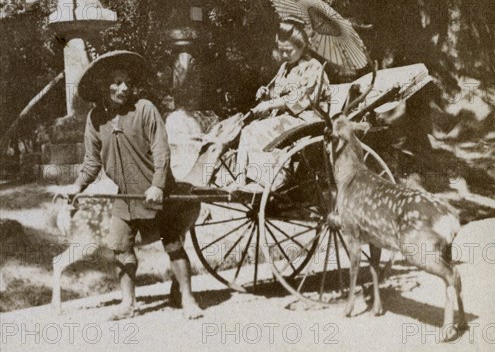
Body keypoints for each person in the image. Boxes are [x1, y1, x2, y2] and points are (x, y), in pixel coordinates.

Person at [67, 50, 202, 320]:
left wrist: (157, 186)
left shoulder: (144, 109)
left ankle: (187, 298)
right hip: (127, 198)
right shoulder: (95, 120)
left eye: (127, 81)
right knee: (120, 246)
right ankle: (127, 303)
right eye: (116, 82)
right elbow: (92, 162)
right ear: (102, 86)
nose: (123, 87)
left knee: (173, 243)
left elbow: (162, 153)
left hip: (160, 192)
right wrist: (76, 186)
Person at [235, 18, 330, 188]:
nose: (284, 55)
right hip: (285, 117)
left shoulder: (313, 66)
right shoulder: (285, 67)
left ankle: (271, 180)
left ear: (302, 46)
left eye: (289, 50)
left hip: (306, 119)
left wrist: (271, 105)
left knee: (256, 130)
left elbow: (301, 98)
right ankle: (241, 178)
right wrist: (266, 94)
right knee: (248, 129)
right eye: (281, 50)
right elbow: (274, 93)